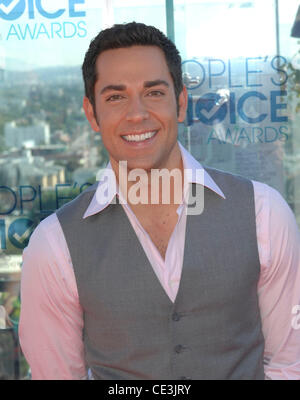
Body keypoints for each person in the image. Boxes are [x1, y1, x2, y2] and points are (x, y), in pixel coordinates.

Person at [19, 22, 300, 380]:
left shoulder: (265, 213)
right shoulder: (53, 244)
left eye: (153, 92)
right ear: (92, 113)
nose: (137, 114)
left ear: (180, 103)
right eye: (116, 96)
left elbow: (290, 366)